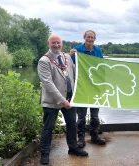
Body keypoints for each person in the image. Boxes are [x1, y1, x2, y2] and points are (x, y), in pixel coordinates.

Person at [38, 34, 88, 165]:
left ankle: (73, 148)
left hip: (70, 99)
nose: (56, 45)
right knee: (48, 128)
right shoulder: (44, 61)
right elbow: (48, 83)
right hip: (52, 102)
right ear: (48, 43)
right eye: (53, 43)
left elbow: (76, 75)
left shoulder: (67, 57)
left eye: (58, 43)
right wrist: (62, 101)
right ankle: (44, 153)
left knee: (72, 125)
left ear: (62, 43)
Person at [70, 30, 106, 148]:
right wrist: (69, 55)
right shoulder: (77, 50)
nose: (90, 39)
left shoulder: (98, 51)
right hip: (82, 87)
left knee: (95, 115)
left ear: (94, 39)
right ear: (84, 38)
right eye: (88, 37)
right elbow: (68, 63)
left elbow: (101, 67)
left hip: (95, 87)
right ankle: (81, 138)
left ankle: (94, 135)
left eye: (92, 37)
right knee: (81, 116)